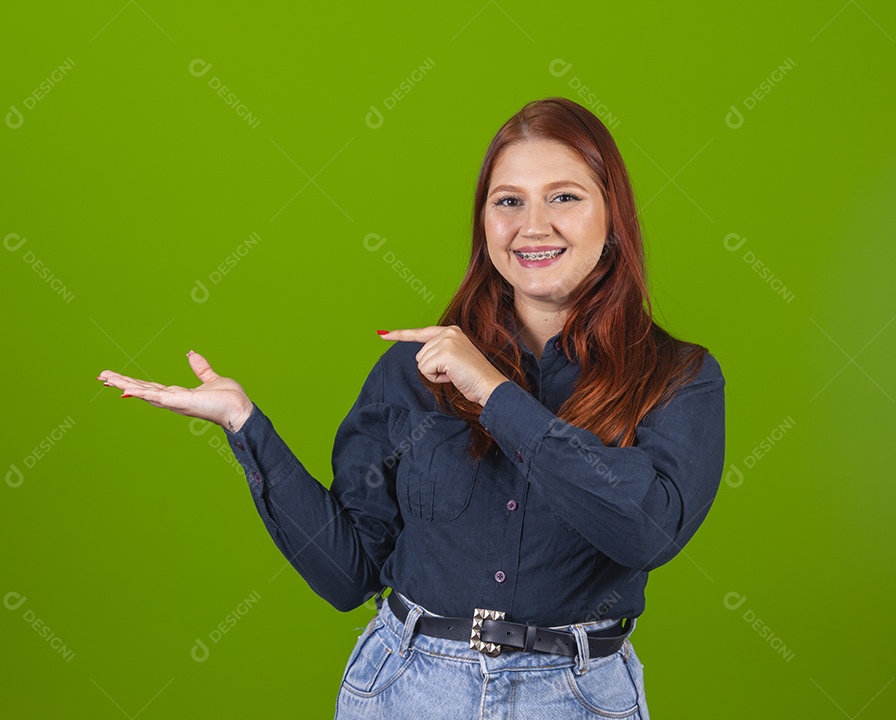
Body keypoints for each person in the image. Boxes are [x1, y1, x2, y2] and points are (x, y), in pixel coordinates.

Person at [96, 96, 725, 719]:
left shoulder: (678, 378)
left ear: (612, 217)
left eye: (564, 197)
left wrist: (494, 394)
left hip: (578, 698)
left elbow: (645, 531)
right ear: (484, 223)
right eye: (508, 201)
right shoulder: (413, 369)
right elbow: (349, 576)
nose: (533, 226)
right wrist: (244, 425)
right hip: (406, 691)